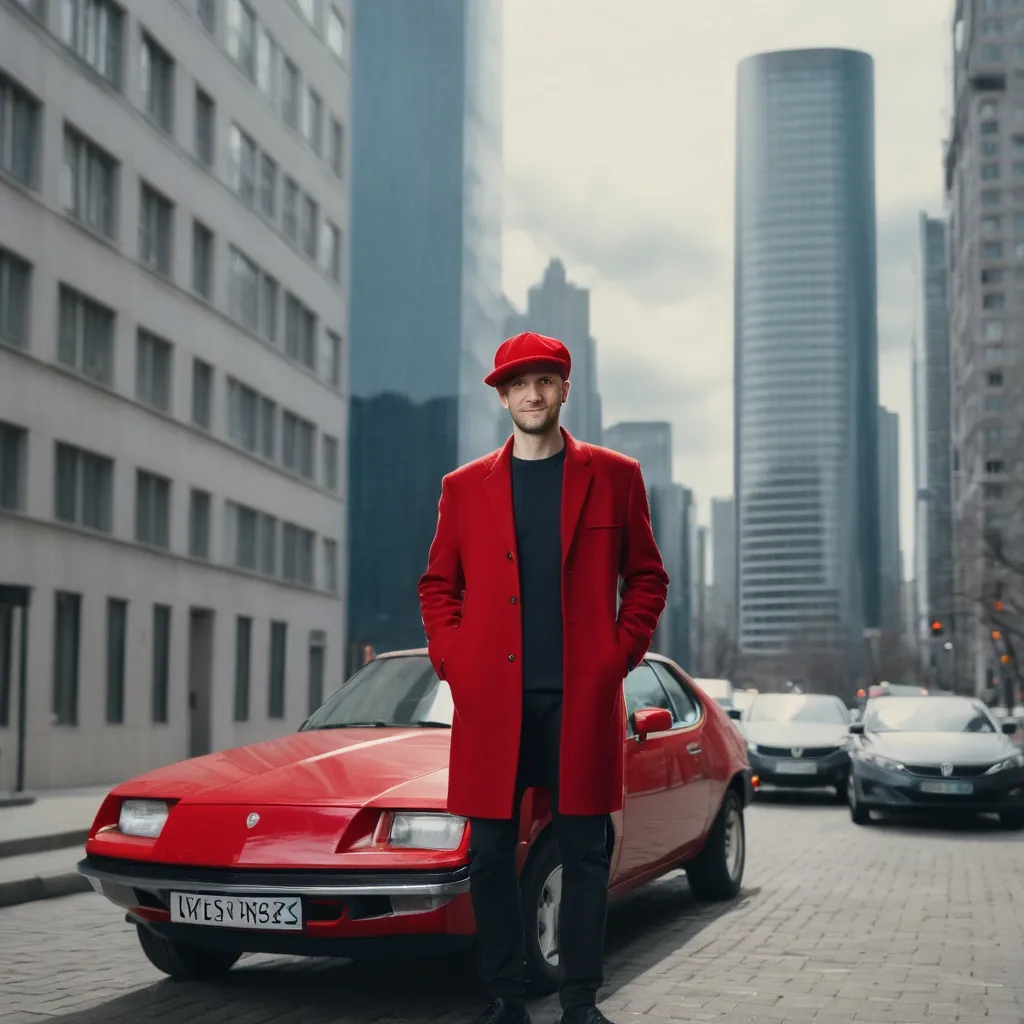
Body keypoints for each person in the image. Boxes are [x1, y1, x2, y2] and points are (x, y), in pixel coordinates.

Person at [418, 331, 669, 1024]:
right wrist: (453, 661)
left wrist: (617, 654)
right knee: (492, 853)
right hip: (491, 702)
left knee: (588, 849)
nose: (532, 394)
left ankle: (581, 1000)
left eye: (546, 381)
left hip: (580, 699)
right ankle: (505, 997)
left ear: (564, 389)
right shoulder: (464, 488)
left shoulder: (616, 475)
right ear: (501, 395)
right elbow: (439, 587)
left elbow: (646, 576)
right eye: (518, 383)